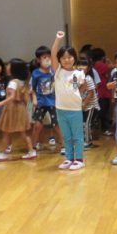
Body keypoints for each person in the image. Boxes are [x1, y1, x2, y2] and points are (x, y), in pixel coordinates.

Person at [51, 31, 88, 170]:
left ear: (74, 58)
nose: (66, 60)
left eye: (69, 57)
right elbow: (53, 53)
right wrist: (58, 39)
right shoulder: (58, 71)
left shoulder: (78, 73)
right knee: (66, 136)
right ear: (59, 60)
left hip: (75, 109)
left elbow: (84, 85)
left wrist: (79, 95)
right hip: (61, 109)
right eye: (63, 58)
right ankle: (69, 158)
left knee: (77, 136)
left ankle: (79, 159)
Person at [0, 59, 37, 161]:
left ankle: (2, 153)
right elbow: (26, 98)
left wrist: (0, 103)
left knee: (6, 132)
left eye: (9, 65)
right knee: (22, 133)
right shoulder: (22, 82)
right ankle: (31, 151)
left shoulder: (12, 82)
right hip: (21, 109)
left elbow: (12, 97)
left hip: (12, 109)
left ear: (13, 69)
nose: (6, 67)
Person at [30, 45, 62, 151]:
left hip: (53, 102)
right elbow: (32, 89)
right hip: (41, 102)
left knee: (56, 124)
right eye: (44, 57)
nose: (47, 59)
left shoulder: (54, 71)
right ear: (39, 60)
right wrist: (34, 99)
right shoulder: (36, 73)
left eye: (49, 56)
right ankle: (33, 147)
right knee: (37, 125)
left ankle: (65, 145)